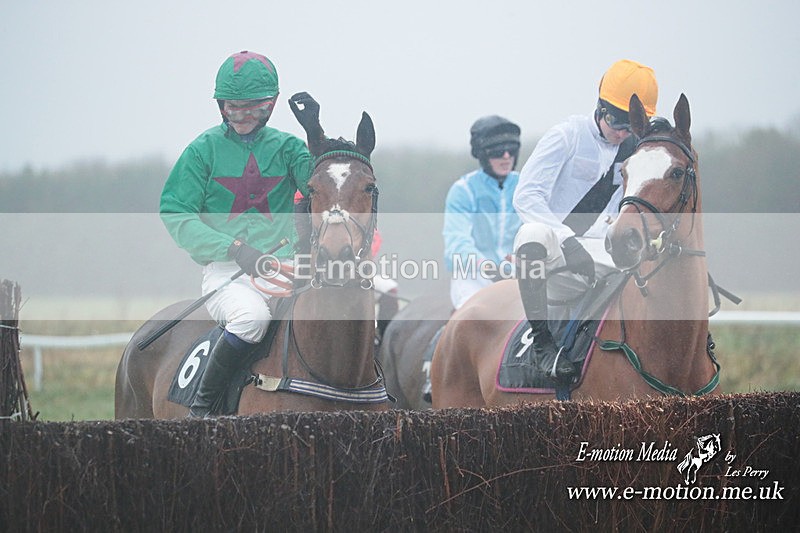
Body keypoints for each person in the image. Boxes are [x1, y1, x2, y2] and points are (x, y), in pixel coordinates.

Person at [160, 50, 320, 417]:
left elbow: (321, 186)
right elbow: (176, 212)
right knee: (251, 320)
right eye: (234, 107)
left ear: (272, 105)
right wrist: (231, 247)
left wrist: (315, 135)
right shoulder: (202, 151)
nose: (244, 116)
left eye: (254, 108)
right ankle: (204, 411)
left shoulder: (288, 148)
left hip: (288, 269)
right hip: (228, 275)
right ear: (221, 106)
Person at [512, 59, 658, 382]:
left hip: (605, 254)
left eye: (629, 127)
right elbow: (525, 196)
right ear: (601, 108)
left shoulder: (635, 149)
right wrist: (565, 238)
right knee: (531, 234)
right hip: (556, 255)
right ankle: (543, 344)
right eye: (617, 123)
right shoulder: (566, 136)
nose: (621, 134)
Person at [443, 116, 524, 309]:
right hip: (473, 279)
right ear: (482, 155)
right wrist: (487, 267)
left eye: (511, 150)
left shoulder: (526, 187)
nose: (506, 156)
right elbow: (456, 243)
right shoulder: (463, 190)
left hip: (520, 276)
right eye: (497, 152)